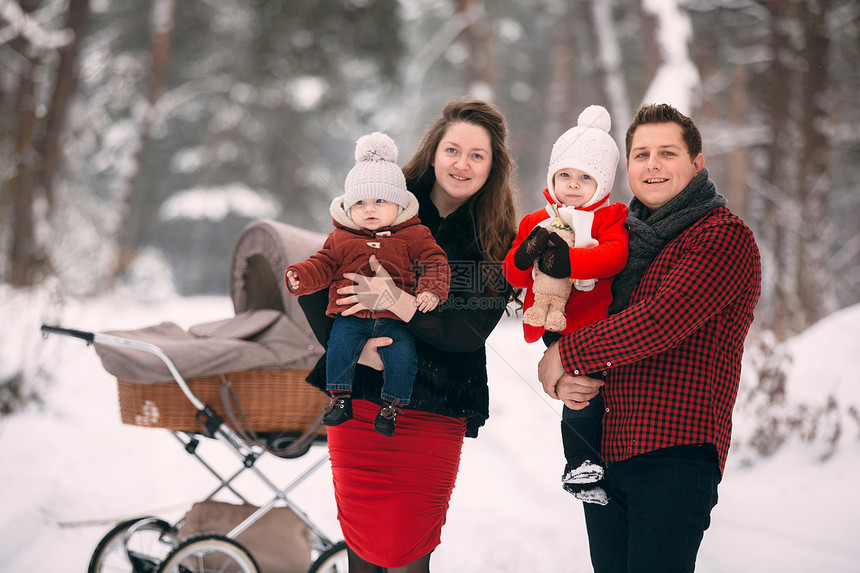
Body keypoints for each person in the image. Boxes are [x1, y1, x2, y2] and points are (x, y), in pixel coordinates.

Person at [298, 98, 519, 572]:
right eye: (453, 150)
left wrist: (395, 301)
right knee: (360, 546)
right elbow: (317, 286)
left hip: (434, 413)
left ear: (492, 167)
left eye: (477, 155)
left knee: (407, 552)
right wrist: (356, 351)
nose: (462, 163)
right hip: (360, 408)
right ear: (433, 152)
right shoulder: (380, 202)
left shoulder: (496, 239)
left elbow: (466, 331)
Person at [538, 103, 762, 572]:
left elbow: (660, 321)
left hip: (674, 451)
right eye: (640, 155)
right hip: (605, 448)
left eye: (667, 152)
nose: (652, 165)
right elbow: (587, 315)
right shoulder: (620, 243)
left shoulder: (721, 236)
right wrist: (566, 374)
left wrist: (566, 355)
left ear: (696, 164)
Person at [286, 132, 450, 437]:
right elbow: (322, 265)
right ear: (348, 206)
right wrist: (301, 275)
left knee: (403, 358)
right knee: (339, 350)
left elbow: (434, 262)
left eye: (379, 201)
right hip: (350, 316)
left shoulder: (415, 235)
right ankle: (340, 398)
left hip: (396, 319)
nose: (369, 209)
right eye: (359, 202)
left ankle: (392, 406)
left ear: (399, 206)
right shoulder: (340, 238)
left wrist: (430, 290)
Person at [502, 105, 628, 505]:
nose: (573, 185)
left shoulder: (612, 217)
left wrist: (570, 261)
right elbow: (514, 275)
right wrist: (524, 258)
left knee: (583, 389)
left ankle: (582, 463)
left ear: (603, 181)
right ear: (552, 177)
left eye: (585, 177)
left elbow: (614, 257)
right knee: (579, 390)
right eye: (565, 176)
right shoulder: (536, 221)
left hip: (593, 325)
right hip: (554, 324)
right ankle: (580, 464)